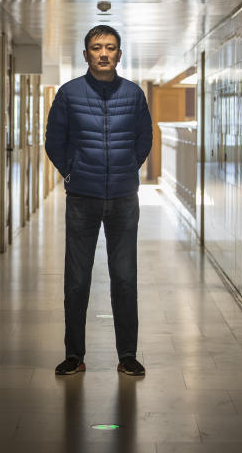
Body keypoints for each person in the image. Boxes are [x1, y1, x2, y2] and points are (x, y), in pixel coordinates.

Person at [45, 25, 153, 377]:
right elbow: (54, 142)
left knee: (124, 278)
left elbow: (144, 140)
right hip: (82, 198)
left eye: (110, 48)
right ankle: (74, 355)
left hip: (124, 199)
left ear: (119, 54)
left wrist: (125, 170)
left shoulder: (134, 95)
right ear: (86, 54)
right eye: (96, 47)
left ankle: (128, 355)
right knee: (77, 280)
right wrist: (73, 173)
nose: (103, 53)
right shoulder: (69, 94)